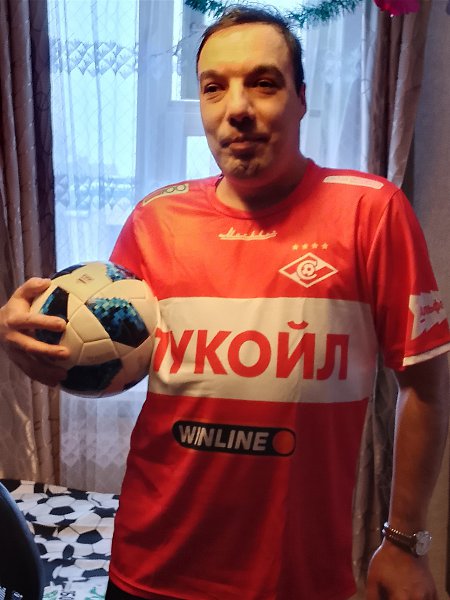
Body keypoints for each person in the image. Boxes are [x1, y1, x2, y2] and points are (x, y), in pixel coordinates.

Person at [0, 6, 449, 600]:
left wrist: (406, 542)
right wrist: (33, 342)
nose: (236, 107)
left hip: (296, 580)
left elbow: (427, 387)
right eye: (213, 87)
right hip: (150, 570)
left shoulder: (372, 212)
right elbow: (108, 358)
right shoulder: (156, 218)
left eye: (263, 82)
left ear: (301, 98)